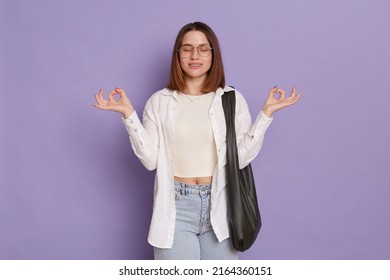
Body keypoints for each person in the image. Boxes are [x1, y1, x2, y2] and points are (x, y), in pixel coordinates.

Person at [94, 22, 301, 260]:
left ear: (213, 54)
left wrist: (265, 115)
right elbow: (150, 161)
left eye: (203, 48)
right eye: (187, 48)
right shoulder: (159, 102)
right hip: (175, 207)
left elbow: (240, 158)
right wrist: (128, 115)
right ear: (178, 54)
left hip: (221, 207)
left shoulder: (231, 99)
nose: (195, 55)